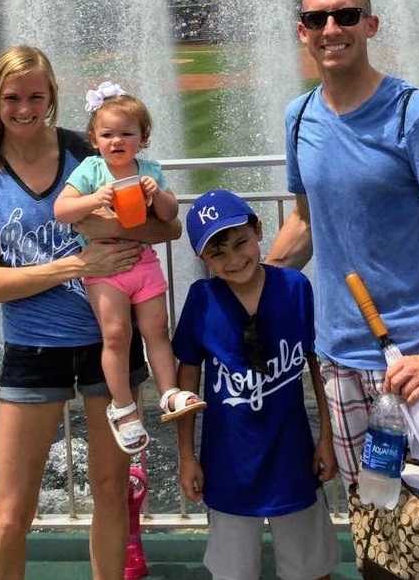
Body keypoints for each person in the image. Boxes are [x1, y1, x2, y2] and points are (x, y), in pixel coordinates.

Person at [0, 46, 180, 580]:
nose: (24, 108)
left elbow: (167, 230)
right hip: (33, 352)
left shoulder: (88, 151)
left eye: (36, 96)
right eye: (12, 98)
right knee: (12, 513)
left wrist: (125, 225)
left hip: (106, 346)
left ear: (51, 97)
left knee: (111, 494)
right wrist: (79, 262)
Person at [267, 0, 419, 489]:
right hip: (340, 360)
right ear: (301, 30)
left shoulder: (417, 117)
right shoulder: (299, 118)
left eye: (346, 16)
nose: (331, 28)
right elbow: (306, 220)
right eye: (316, 18)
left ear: (370, 25)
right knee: (377, 523)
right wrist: (247, 287)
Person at [174, 189, 339, 580]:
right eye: (218, 253)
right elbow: (187, 376)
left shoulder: (295, 288)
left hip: (292, 455)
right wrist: (186, 455)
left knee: (310, 568)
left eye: (240, 243)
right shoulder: (203, 299)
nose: (234, 259)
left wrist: (327, 438)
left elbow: (318, 366)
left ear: (258, 230)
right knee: (233, 572)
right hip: (228, 462)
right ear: (203, 259)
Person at [54, 82, 206, 454]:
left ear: (143, 138)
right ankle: (122, 406)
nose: (117, 141)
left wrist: (159, 195)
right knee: (118, 335)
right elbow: (61, 211)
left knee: (157, 330)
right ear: (94, 138)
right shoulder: (91, 170)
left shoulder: (149, 170)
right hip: (105, 270)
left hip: (143, 264)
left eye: (126, 133)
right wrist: (93, 198)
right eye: (107, 134)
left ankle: (169, 393)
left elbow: (170, 216)